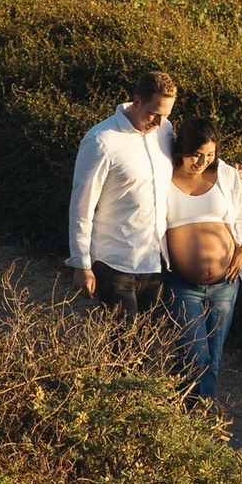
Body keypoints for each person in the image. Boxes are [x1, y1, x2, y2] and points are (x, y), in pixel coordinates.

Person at [160, 103, 242, 403]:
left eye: (210, 155)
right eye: (197, 154)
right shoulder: (162, 177)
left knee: (213, 358)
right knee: (192, 354)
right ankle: (184, 417)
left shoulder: (226, 174)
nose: (203, 161)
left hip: (226, 282)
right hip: (183, 284)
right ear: (182, 150)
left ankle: (201, 418)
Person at [67, 66, 175, 312]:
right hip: (114, 263)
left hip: (154, 262)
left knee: (146, 345)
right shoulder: (101, 141)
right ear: (136, 101)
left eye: (166, 116)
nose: (159, 122)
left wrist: (231, 173)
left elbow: (189, 164)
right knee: (121, 345)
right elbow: (81, 206)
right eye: (153, 114)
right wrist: (81, 264)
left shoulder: (165, 130)